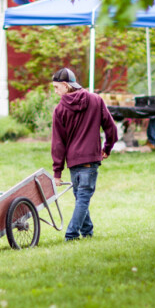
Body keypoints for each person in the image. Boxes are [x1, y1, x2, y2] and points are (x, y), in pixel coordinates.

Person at [51, 67, 118, 242]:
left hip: (73, 161)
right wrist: (107, 147)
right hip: (90, 160)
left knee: (81, 198)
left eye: (57, 87)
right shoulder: (96, 100)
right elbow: (112, 129)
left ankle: (73, 234)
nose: (56, 92)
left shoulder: (60, 110)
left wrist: (57, 171)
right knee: (82, 198)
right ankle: (83, 232)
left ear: (66, 86)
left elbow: (58, 143)